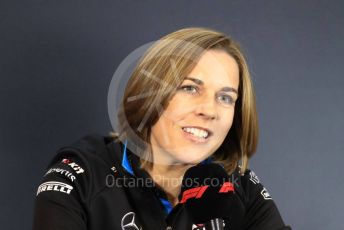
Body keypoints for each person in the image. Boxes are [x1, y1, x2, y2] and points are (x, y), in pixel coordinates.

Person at [32, 27, 292, 230]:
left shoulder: (239, 184)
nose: (209, 110)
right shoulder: (82, 173)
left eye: (225, 97)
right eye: (190, 88)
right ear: (149, 94)